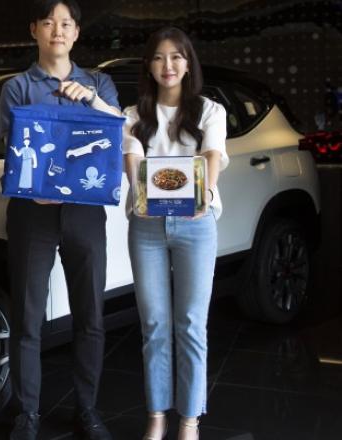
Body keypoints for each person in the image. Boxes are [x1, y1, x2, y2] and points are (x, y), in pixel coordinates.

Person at [0, 1, 121, 439]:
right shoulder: (17, 88)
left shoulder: (99, 83)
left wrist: (91, 100)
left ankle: (87, 410)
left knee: (90, 315)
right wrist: (35, 190)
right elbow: (13, 149)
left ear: (77, 32)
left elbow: (119, 132)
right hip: (32, 214)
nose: (57, 30)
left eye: (66, 23)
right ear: (34, 29)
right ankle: (27, 414)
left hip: (85, 213)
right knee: (27, 317)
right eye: (49, 22)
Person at [122, 27, 228, 440]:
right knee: (153, 324)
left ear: (188, 64)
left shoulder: (209, 112)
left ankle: (189, 420)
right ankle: (156, 416)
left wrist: (203, 193)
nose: (168, 65)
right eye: (158, 57)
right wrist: (143, 191)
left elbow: (211, 158)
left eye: (176, 57)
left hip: (196, 226)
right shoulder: (133, 116)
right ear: (148, 66)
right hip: (146, 226)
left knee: (190, 324)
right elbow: (134, 168)